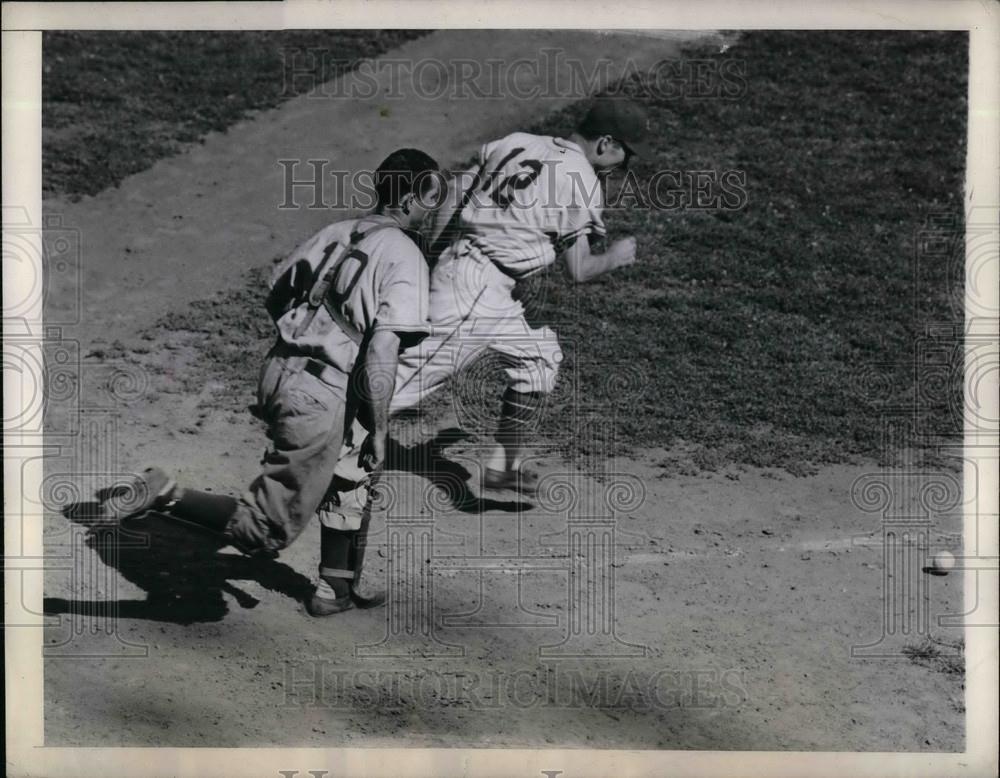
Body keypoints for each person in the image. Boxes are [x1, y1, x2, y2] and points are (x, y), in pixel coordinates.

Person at [103, 148, 442, 617]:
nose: (431, 208)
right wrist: (383, 430)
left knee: (348, 466)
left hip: (280, 372)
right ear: (408, 197)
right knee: (265, 532)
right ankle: (165, 494)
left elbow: (276, 292)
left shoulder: (338, 232)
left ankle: (334, 589)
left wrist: (306, 341)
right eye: (429, 196)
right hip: (322, 392)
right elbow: (382, 352)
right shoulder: (405, 254)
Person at [364, 96, 647, 496]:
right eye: (625, 155)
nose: (625, 167)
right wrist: (616, 258)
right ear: (605, 143)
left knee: (540, 359)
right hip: (475, 294)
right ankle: (319, 443)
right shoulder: (581, 179)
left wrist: (434, 259)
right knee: (403, 383)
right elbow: (579, 270)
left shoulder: (516, 142)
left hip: (476, 281)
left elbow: (457, 191)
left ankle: (501, 467)